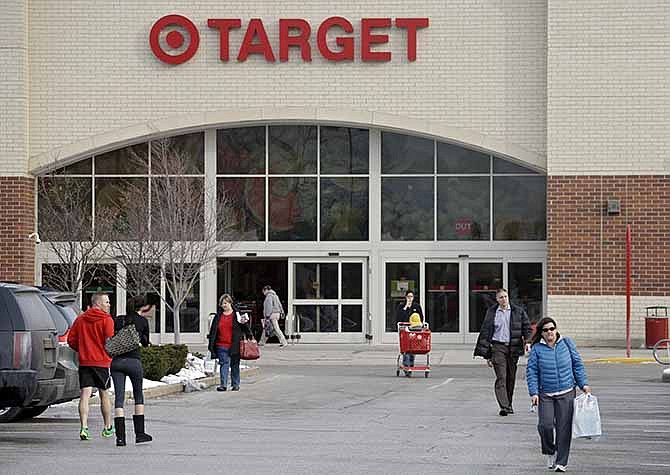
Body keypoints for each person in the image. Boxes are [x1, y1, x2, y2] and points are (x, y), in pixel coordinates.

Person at [526, 318, 590, 472]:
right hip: (546, 394)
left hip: (566, 392)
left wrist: (583, 384)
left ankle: (561, 462)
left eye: (552, 329)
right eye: (546, 330)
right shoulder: (537, 349)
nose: (550, 332)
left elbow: (577, 364)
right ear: (541, 333)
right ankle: (549, 451)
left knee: (563, 429)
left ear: (556, 329)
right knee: (545, 426)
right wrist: (534, 393)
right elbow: (532, 372)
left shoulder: (567, 343)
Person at [473, 288, 531, 416]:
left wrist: (527, 341)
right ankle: (504, 406)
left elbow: (526, 328)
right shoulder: (492, 312)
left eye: (505, 297)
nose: (503, 299)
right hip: (498, 347)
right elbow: (485, 332)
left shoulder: (518, 311)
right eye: (501, 297)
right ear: (497, 299)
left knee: (511, 378)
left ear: (508, 297)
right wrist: (487, 355)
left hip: (513, 348)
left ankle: (509, 404)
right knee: (502, 377)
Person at [67, 292, 115, 441]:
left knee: (85, 395)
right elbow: (110, 341)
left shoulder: (80, 319)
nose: (109, 304)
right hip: (101, 362)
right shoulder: (107, 320)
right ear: (98, 303)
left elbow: (71, 340)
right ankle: (107, 427)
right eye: (106, 302)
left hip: (85, 362)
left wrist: (82, 349)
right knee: (104, 394)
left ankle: (84, 427)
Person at [110, 295, 153, 446]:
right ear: (142, 307)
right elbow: (145, 342)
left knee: (119, 399)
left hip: (116, 363)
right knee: (138, 395)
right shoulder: (142, 321)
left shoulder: (119, 320)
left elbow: (113, 336)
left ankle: (120, 438)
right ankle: (140, 434)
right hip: (134, 362)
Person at [208, 294, 252, 392]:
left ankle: (235, 384)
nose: (224, 305)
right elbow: (213, 330)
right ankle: (223, 385)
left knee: (235, 365)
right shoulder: (218, 316)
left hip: (234, 344)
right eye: (222, 303)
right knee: (224, 364)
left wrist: (250, 336)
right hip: (221, 345)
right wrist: (211, 343)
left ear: (230, 303)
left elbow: (244, 326)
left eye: (225, 303)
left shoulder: (237, 314)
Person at [395, 290, 424, 376]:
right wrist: (405, 307)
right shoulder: (401, 306)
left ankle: (411, 365)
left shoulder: (416, 306)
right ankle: (406, 366)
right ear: (406, 297)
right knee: (406, 349)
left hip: (414, 330)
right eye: (408, 297)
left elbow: (421, 318)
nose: (410, 298)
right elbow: (399, 318)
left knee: (413, 349)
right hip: (405, 330)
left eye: (411, 297)